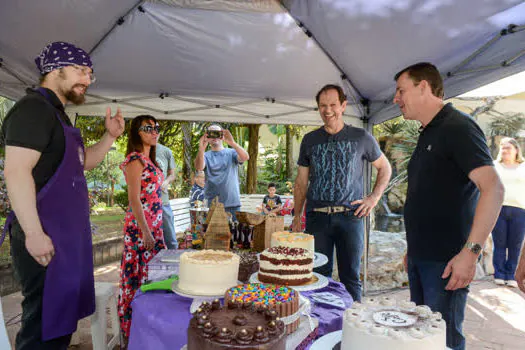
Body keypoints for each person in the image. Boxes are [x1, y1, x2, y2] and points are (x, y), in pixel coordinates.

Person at [1, 41, 124, 349]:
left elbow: (83, 162)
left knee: (60, 327)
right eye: (80, 70)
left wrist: (110, 136)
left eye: (90, 73)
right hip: (45, 238)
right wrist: (33, 233)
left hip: (65, 240)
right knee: (44, 328)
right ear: (54, 70)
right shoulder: (32, 110)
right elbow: (16, 172)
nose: (87, 79)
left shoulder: (58, 115)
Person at [393, 62, 504, 350]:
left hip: (446, 263)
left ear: (423, 87)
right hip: (421, 258)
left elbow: (493, 188)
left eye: (401, 90)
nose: (396, 99)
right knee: (423, 338)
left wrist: (471, 253)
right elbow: (431, 195)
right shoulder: (428, 131)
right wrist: (413, 248)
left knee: (444, 341)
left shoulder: (458, 127)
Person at [292, 84, 392, 302]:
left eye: (333, 105)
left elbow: (385, 168)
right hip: (317, 218)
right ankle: (320, 327)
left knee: (350, 277)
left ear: (343, 106)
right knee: (317, 276)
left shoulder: (361, 137)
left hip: (351, 216)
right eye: (322, 106)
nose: (328, 111)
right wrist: (297, 216)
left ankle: (353, 323)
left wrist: (373, 198)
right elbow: (301, 182)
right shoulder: (309, 140)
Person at [118, 115, 166, 341]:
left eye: (157, 127)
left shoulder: (151, 160)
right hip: (140, 230)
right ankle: (134, 333)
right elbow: (134, 199)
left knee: (153, 278)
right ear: (137, 132)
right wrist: (146, 231)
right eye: (149, 128)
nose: (155, 131)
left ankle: (150, 330)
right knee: (138, 279)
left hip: (154, 228)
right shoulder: (135, 160)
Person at [195, 125, 249, 220]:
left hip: (232, 204)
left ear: (222, 134)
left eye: (217, 133)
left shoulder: (231, 152)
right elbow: (199, 167)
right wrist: (201, 148)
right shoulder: (205, 155)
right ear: (207, 136)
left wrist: (232, 143)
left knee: (233, 234)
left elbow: (245, 157)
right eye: (211, 134)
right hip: (212, 205)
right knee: (212, 234)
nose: (215, 136)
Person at [492, 137, 525, 287]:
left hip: (520, 211)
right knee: (499, 243)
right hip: (498, 209)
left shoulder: (523, 166)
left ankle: (510, 274)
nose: (505, 150)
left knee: (515, 244)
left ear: (516, 150)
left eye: (508, 148)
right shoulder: (495, 166)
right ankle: (499, 273)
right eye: (503, 148)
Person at [155, 143, 178, 249]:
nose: (154, 132)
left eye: (157, 129)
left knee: (171, 240)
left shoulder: (166, 151)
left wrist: (166, 181)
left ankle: (176, 263)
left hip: (163, 201)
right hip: (145, 204)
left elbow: (173, 174)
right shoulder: (140, 150)